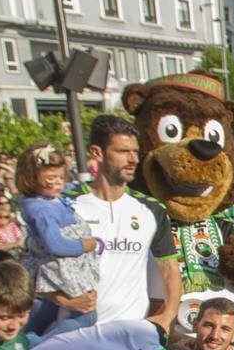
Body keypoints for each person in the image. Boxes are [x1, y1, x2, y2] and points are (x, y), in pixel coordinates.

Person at [69, 114, 180, 327]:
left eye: (135, 152)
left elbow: (170, 270)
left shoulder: (152, 209)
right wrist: (65, 301)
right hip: (77, 330)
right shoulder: (68, 205)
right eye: (123, 151)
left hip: (132, 333)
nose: (133, 159)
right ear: (97, 152)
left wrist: (168, 317)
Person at [16, 142, 100, 336]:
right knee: (86, 315)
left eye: (61, 177)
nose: (57, 183)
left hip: (62, 270)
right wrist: (85, 245)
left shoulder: (48, 199)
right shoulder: (41, 209)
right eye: (50, 179)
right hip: (60, 271)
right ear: (31, 177)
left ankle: (26, 341)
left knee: (46, 312)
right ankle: (37, 345)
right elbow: (56, 245)